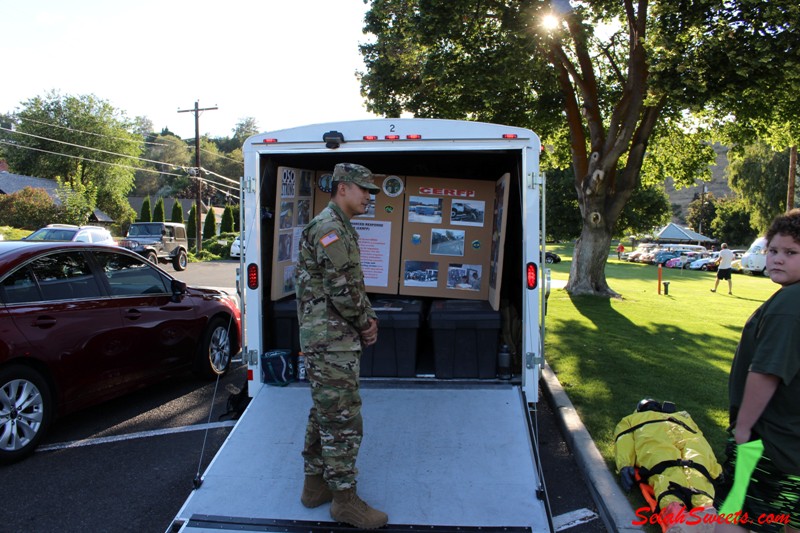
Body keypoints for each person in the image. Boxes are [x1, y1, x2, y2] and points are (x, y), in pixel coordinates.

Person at [295, 162, 387, 529]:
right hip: (331, 341)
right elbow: (343, 290)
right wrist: (365, 323)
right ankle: (344, 501)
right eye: (365, 189)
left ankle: (314, 487)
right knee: (344, 419)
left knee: (325, 413)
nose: (369, 196)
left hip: (331, 339)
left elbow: (350, 284)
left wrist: (368, 314)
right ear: (343, 187)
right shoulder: (330, 228)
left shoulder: (338, 226)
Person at [715, 209, 800, 533]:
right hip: (792, 445)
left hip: (767, 444)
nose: (777, 259)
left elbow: (766, 373)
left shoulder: (789, 305)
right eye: (773, 250)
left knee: (732, 519)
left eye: (791, 253)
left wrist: (742, 430)